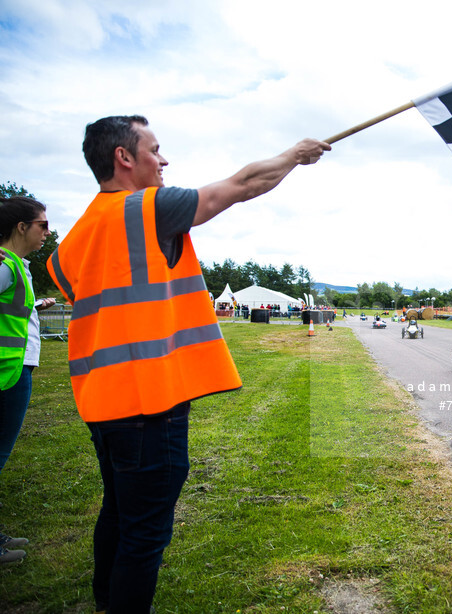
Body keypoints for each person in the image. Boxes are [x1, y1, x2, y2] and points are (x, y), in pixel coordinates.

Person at [47, 115, 329, 613]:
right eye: (156, 149)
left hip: (101, 402)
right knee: (144, 536)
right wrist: (294, 156)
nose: (165, 160)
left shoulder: (74, 240)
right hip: (149, 401)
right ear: (124, 158)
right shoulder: (146, 208)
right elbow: (241, 186)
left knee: (117, 511)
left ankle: (104, 601)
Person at [0, 196, 56, 564]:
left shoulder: (15, 267)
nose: (47, 233)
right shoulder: (5, 265)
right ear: (21, 227)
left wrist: (36, 307)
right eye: (42, 226)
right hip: (7, 373)